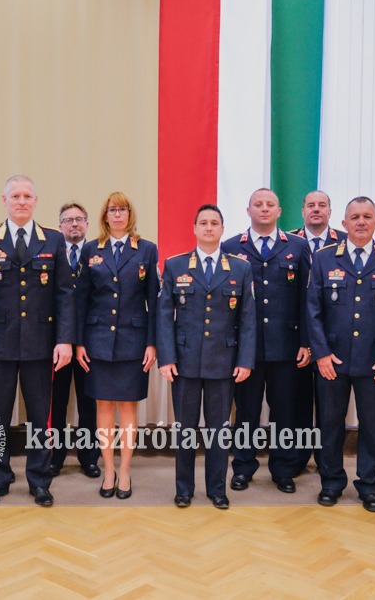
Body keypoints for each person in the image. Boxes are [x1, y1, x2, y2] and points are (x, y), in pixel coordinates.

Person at [0, 174, 75, 507]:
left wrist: (65, 340)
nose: (22, 201)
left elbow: (64, 295)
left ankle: (39, 480)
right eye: (16, 196)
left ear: (36, 201)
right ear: (5, 201)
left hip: (41, 345)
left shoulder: (53, 240)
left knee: (40, 417)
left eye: (28, 196)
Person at [307, 196, 375, 513]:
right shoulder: (324, 258)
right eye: (355, 217)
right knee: (330, 424)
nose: (361, 222)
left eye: (367, 216)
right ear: (344, 223)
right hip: (332, 360)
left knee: (371, 426)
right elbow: (313, 310)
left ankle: (369, 485)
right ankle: (331, 482)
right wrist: (321, 354)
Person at [157, 204, 255, 509]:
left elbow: (248, 318)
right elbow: (164, 316)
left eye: (214, 223)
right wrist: (166, 357)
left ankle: (217, 489)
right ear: (195, 229)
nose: (209, 227)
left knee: (219, 430)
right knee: (185, 430)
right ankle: (184, 489)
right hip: (184, 362)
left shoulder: (240, 268)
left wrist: (245, 360)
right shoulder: (176, 265)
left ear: (223, 229)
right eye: (203, 223)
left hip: (223, 363)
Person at [222, 188, 311, 494]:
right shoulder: (231, 246)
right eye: (258, 204)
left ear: (279, 211)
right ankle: (243, 467)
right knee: (245, 412)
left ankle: (283, 469)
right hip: (246, 349)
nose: (264, 208)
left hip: (286, 346)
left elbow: (307, 298)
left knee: (284, 412)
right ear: (248, 211)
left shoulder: (298, 246)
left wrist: (306, 342)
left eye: (269, 204)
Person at [76, 192, 158, 499]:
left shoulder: (146, 249)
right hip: (98, 341)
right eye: (113, 210)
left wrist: (152, 343)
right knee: (103, 406)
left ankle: (125, 469)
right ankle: (108, 469)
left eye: (123, 209)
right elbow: (81, 300)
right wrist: (79, 342)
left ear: (130, 214)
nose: (118, 214)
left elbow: (154, 301)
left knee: (128, 407)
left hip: (133, 342)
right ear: (105, 216)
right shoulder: (91, 250)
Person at [289, 189, 347, 475]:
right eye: (310, 205)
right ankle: (298, 458)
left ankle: (328, 462)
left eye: (322, 205)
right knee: (299, 404)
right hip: (297, 338)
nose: (316, 209)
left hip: (334, 339)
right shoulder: (288, 241)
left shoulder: (347, 242)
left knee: (330, 408)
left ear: (330, 212)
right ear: (302, 211)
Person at [50, 202, 100, 479]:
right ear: (60, 226)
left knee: (88, 403)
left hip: (89, 342)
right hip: (56, 342)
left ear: (87, 225)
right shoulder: (51, 252)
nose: (74, 224)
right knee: (55, 403)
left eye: (79, 219)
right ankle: (55, 457)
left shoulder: (96, 253)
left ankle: (89, 457)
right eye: (68, 220)